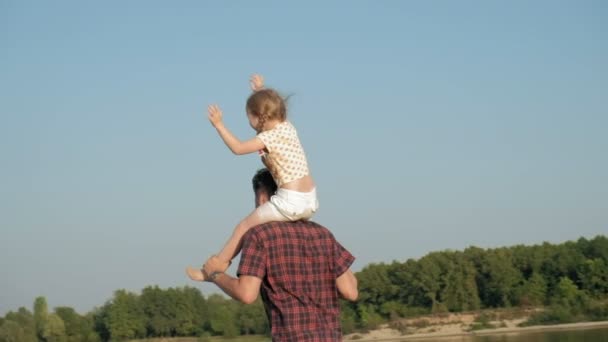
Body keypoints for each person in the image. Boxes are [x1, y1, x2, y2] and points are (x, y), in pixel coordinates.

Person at [200, 168, 358, 341]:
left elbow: (246, 293)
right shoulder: (323, 234)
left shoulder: (259, 235)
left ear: (262, 198)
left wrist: (215, 274)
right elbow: (350, 292)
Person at [187, 74, 319, 281]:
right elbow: (269, 106)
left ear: (257, 117)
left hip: (290, 200)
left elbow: (238, 148)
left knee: (244, 226)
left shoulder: (267, 137)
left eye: (248, 116)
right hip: (310, 199)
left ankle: (215, 268)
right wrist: (259, 90)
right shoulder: (287, 127)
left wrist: (219, 125)